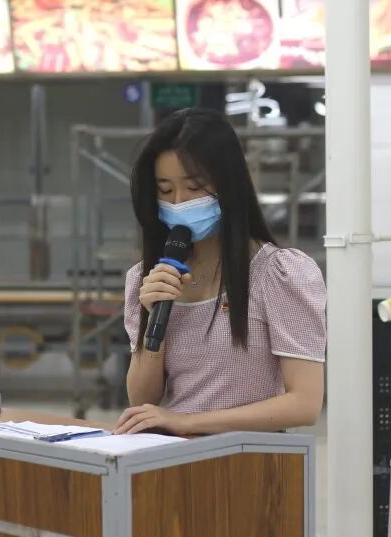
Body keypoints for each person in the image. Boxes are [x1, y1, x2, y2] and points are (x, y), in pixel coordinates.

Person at [114, 108, 326, 436]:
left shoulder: (279, 273)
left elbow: (304, 403)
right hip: (171, 458)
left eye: (195, 187)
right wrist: (153, 323)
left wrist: (187, 422)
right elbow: (143, 400)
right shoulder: (148, 278)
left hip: (250, 460)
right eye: (165, 190)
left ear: (230, 185)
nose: (179, 202)